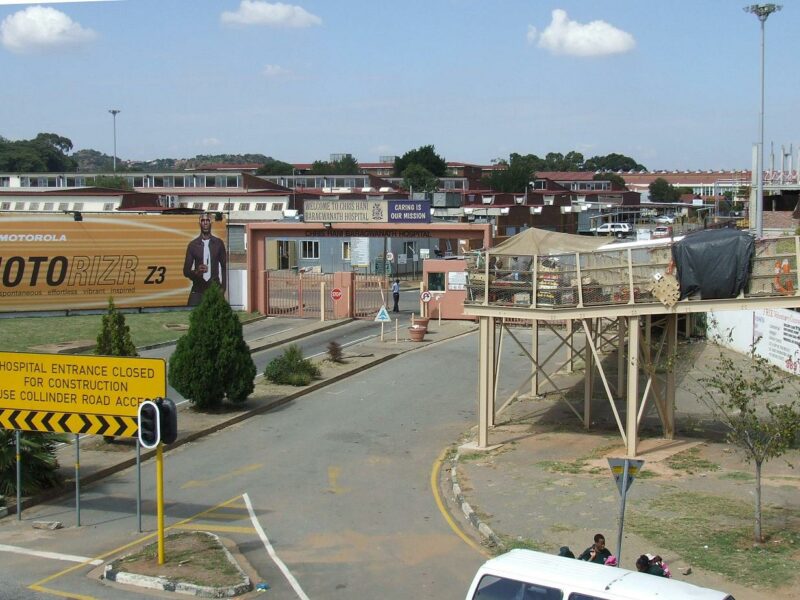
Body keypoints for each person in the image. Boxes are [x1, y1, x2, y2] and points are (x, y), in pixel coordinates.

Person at [183, 212, 227, 306]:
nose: (205, 223)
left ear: (211, 223)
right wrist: (196, 272)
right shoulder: (193, 245)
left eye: (207, 220)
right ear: (199, 223)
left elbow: (224, 267)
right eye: (203, 220)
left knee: (219, 315)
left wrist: (223, 288)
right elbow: (186, 271)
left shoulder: (218, 243)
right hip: (198, 288)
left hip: (214, 286)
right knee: (190, 311)